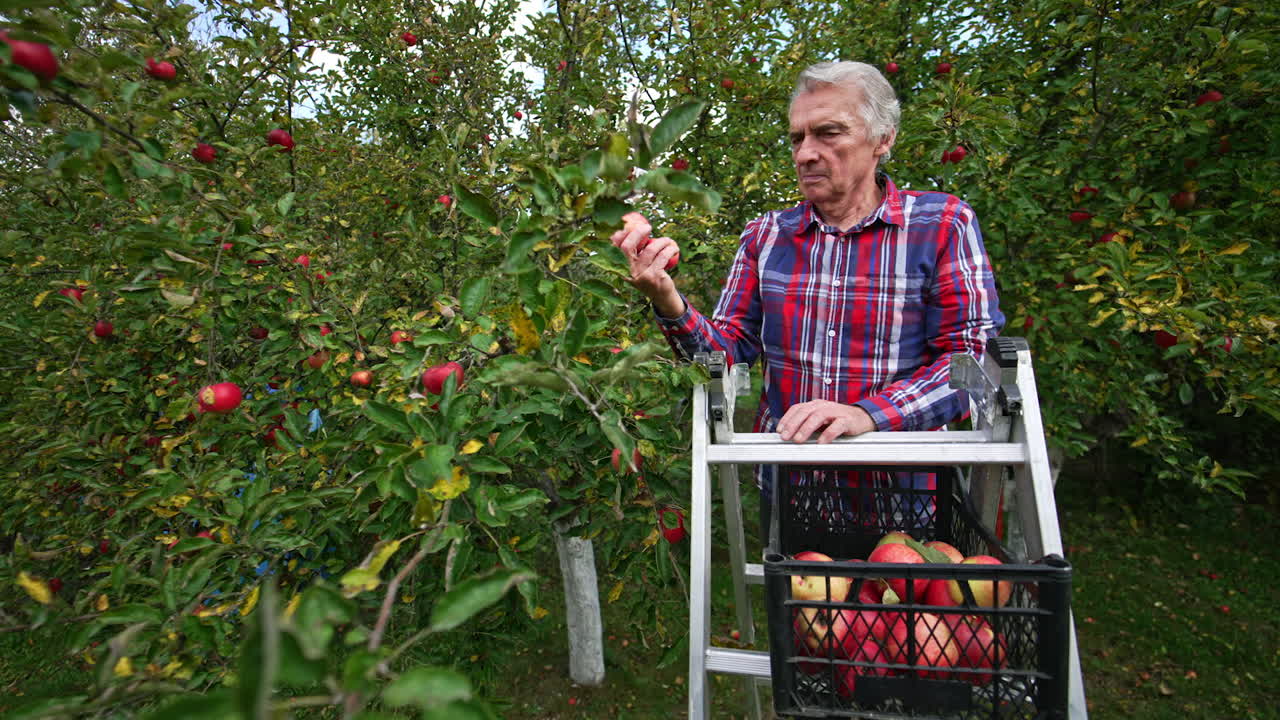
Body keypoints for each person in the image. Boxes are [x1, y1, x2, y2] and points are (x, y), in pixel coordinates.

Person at [611, 60, 1004, 536]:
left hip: (906, 491)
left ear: (883, 139)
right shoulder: (766, 236)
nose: (805, 154)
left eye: (828, 133)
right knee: (804, 607)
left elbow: (972, 363)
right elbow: (725, 354)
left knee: (910, 608)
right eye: (798, 138)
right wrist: (667, 297)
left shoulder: (941, 226)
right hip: (795, 487)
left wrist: (867, 415)